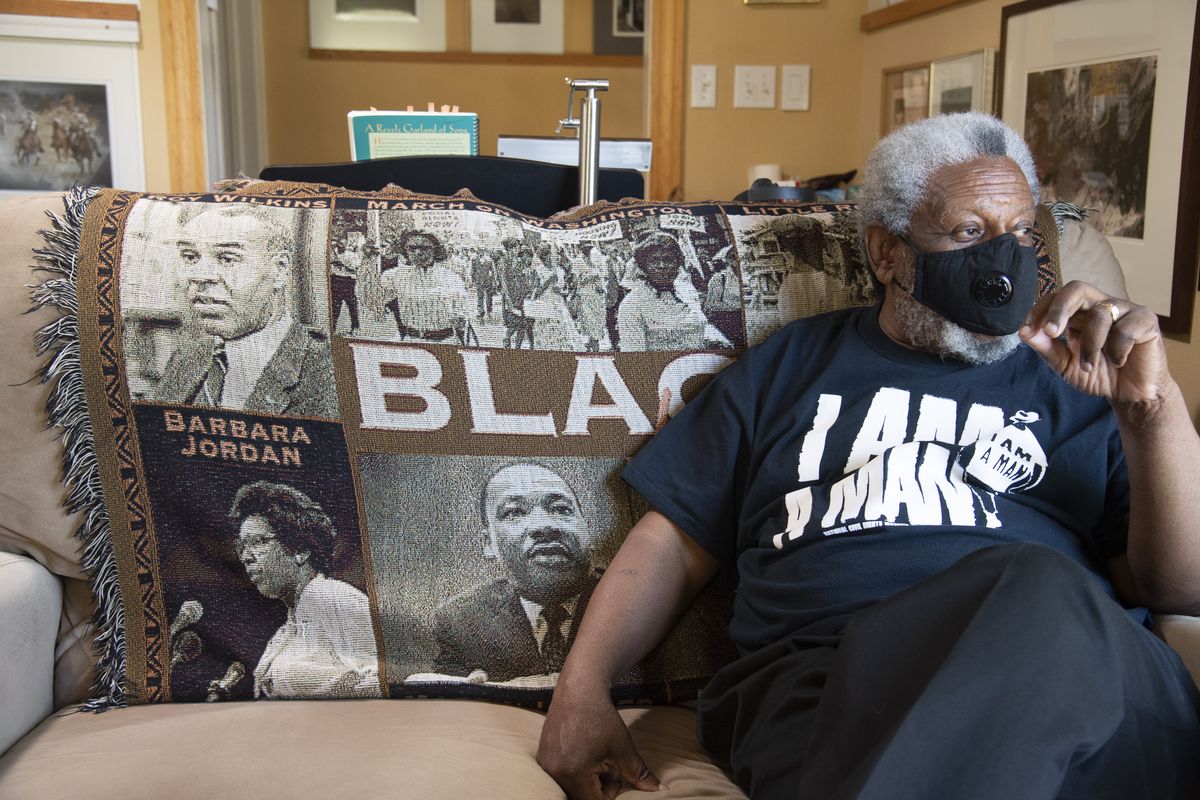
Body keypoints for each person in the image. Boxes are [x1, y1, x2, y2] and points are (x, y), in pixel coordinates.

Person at [536, 113, 1200, 799]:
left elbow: (1183, 588)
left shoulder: (1082, 381)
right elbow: (673, 546)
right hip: (833, 688)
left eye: (1020, 233)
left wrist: (1150, 411)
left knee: (1037, 591)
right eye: (970, 233)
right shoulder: (789, 367)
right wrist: (582, 688)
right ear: (886, 253)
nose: (1004, 262)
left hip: (1073, 679)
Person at [154, 206, 338, 418]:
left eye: (227, 259)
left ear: (279, 269)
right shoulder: (188, 358)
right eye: (190, 257)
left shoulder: (329, 368)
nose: (200, 276)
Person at [433, 463, 601, 682]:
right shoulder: (461, 621)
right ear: (488, 543)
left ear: (587, 528)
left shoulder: (635, 601)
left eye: (560, 509)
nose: (543, 526)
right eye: (514, 512)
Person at [230, 481, 381, 699]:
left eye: (259, 542)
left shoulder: (337, 598)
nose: (246, 556)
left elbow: (380, 681)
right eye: (243, 546)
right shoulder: (283, 634)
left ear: (300, 550)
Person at [616, 232, 708, 352]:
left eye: (668, 259)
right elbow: (634, 356)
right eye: (654, 260)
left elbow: (701, 327)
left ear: (678, 263)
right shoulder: (632, 304)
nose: (662, 266)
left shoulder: (688, 292)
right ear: (644, 266)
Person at [381, 229, 469, 343]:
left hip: (445, 343)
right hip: (411, 342)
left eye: (424, 248)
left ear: (436, 250)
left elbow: (462, 315)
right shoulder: (394, 276)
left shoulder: (451, 278)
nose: (418, 252)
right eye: (412, 248)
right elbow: (376, 300)